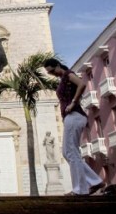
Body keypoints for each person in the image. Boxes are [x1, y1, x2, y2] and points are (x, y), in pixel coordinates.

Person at [44, 58, 105, 196]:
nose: (52, 74)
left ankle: (80, 189)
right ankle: (95, 181)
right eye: (49, 73)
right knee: (67, 152)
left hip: (75, 115)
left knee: (71, 152)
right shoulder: (62, 78)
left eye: (53, 70)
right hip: (70, 118)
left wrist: (73, 102)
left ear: (58, 65)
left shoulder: (67, 74)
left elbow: (81, 84)